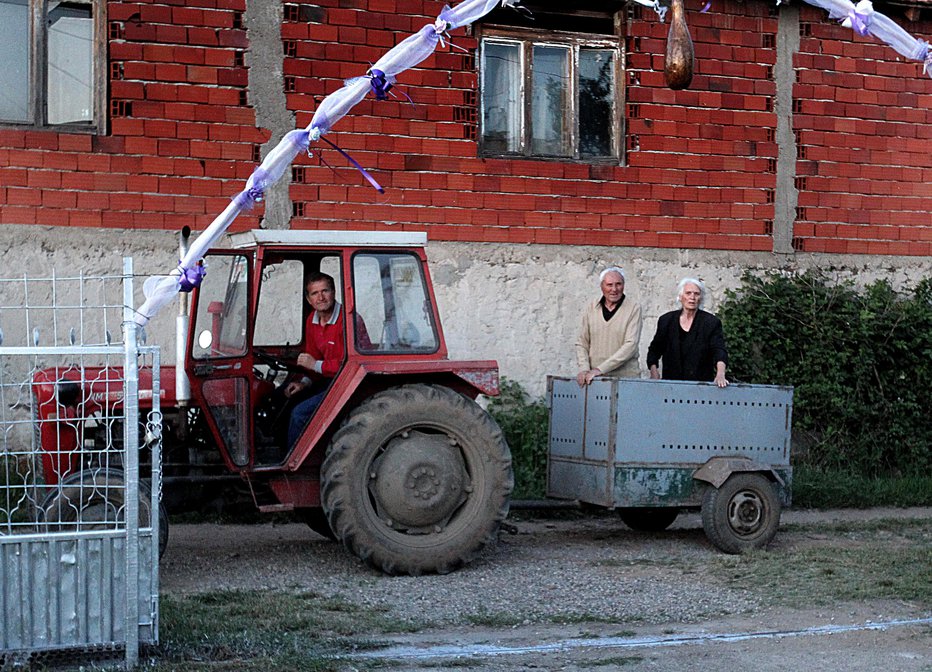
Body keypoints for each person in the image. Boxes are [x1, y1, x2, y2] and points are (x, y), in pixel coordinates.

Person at [285, 272, 369, 447]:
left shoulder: (349, 320)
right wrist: (304, 383)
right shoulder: (312, 320)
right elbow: (315, 359)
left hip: (349, 384)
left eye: (325, 291)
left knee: (299, 414)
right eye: (315, 293)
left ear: (334, 292)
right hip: (327, 381)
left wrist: (314, 365)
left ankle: (294, 468)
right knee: (283, 399)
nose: (321, 297)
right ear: (309, 299)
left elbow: (351, 365)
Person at [646, 277, 728, 387]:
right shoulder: (666, 320)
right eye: (688, 293)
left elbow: (719, 350)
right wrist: (654, 372)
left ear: (701, 298)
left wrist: (720, 374)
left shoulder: (711, 323)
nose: (692, 297)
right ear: (680, 296)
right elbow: (654, 350)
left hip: (700, 385)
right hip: (671, 385)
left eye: (696, 294)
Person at [575, 266, 643, 387]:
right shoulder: (591, 308)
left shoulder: (633, 308)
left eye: (618, 284)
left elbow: (630, 345)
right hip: (594, 380)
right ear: (602, 286)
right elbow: (582, 342)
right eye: (609, 285)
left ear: (624, 285)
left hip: (625, 379)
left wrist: (600, 369)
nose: (614, 289)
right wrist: (584, 369)